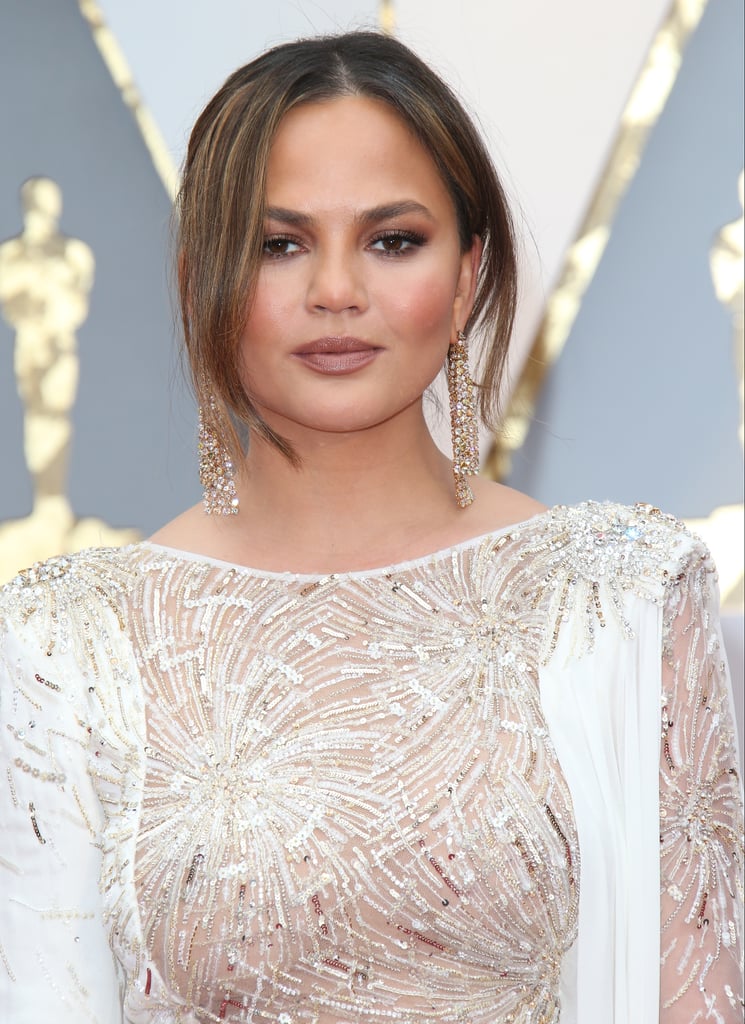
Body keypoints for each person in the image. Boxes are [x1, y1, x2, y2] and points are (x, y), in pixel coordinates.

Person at [0, 30, 742, 1024]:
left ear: (468, 274)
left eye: (393, 239)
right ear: (198, 281)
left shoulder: (625, 599)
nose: (336, 291)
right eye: (280, 244)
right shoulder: (68, 643)